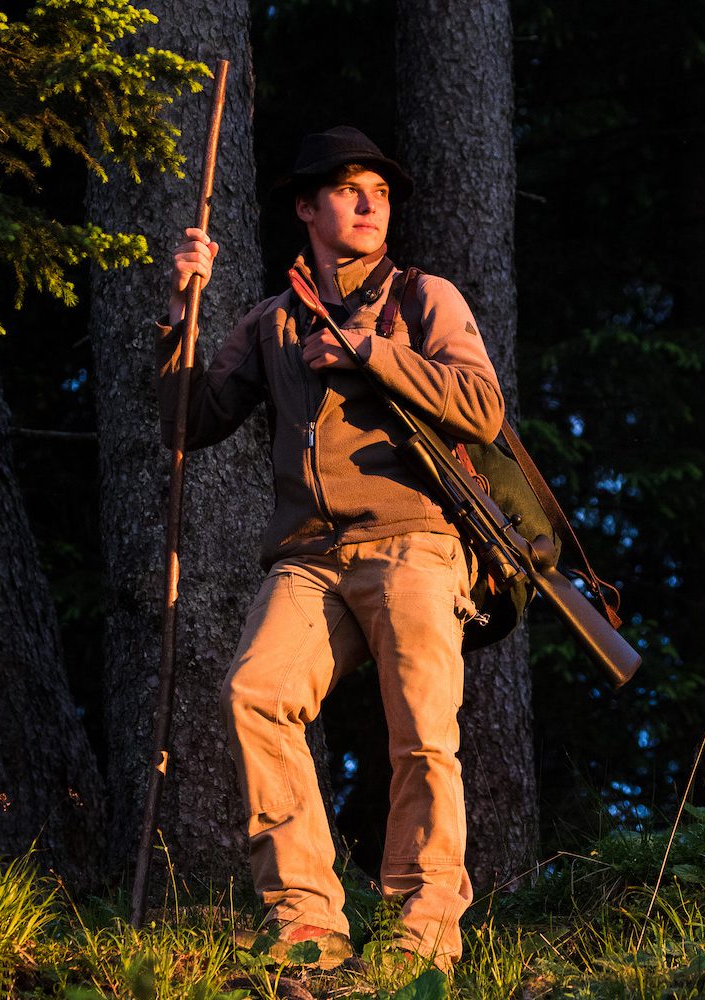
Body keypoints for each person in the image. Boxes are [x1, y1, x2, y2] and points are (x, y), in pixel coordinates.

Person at [158, 126, 505, 972]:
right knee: (257, 693)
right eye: (348, 191)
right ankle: (306, 917)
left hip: (416, 539)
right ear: (307, 208)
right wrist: (180, 315)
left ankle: (423, 930)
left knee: (423, 734)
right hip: (309, 553)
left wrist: (373, 353)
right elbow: (189, 423)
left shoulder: (425, 297)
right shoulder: (271, 320)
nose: (367, 204)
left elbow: (482, 408)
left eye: (379, 193)